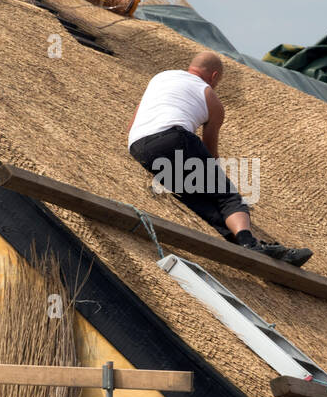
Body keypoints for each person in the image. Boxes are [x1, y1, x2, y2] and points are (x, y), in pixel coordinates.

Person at [128, 52, 312, 267]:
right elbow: (210, 151)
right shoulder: (210, 97)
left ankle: (252, 244)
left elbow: (135, 121)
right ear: (214, 76)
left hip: (139, 146)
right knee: (227, 196)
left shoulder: (160, 77)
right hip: (174, 138)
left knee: (199, 201)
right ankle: (249, 244)